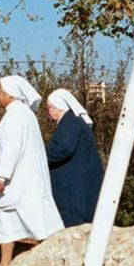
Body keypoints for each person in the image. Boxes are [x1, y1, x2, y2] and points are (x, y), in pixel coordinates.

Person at [0, 75, 65, 266]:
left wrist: (2, 176)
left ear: (10, 94)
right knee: (7, 223)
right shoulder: (19, 114)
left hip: (22, 183)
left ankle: (56, 265)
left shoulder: (17, 116)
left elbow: (12, 147)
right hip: (20, 183)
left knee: (40, 225)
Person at [44, 89, 104, 227]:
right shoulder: (72, 122)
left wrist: (38, 156)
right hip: (78, 182)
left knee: (75, 224)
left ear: (60, 107)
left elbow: (62, 149)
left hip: (75, 185)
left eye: (50, 107)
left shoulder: (69, 122)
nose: (48, 111)